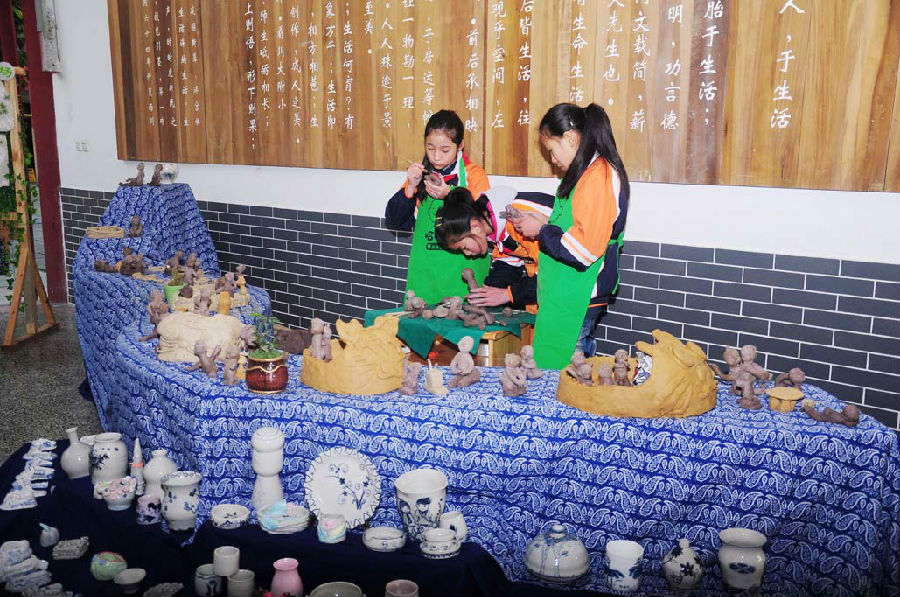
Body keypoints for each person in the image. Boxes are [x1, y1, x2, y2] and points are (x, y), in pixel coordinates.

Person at [514, 103, 629, 369]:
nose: (552, 160)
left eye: (551, 151)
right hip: (564, 291)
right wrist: (543, 222)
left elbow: (582, 250)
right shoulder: (586, 174)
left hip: (579, 292)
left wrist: (541, 231)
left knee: (570, 373)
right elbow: (575, 227)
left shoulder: (598, 176)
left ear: (569, 138)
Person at [385, 110, 491, 304]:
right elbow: (396, 222)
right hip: (426, 281)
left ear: (460, 145)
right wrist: (411, 186)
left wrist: (450, 193)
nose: (436, 157)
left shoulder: (474, 175)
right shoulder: (422, 178)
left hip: (465, 280)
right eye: (430, 148)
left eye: (445, 150)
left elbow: (484, 220)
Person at [433, 186, 554, 313]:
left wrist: (508, 294)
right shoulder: (496, 231)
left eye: (464, 248)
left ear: (475, 227)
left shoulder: (521, 217)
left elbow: (551, 276)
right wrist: (487, 292)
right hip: (544, 301)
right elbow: (507, 264)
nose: (467, 254)